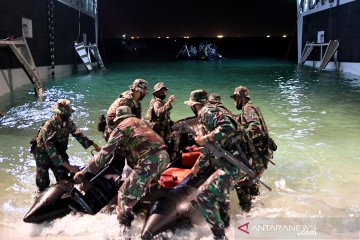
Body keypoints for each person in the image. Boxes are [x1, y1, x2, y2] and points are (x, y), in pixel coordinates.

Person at [73, 106, 170, 234]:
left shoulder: (121, 128)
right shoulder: (141, 123)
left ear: (118, 119)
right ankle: (157, 219)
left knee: (124, 194)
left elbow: (105, 153)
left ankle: (125, 232)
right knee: (150, 188)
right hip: (164, 157)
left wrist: (84, 171)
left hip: (149, 161)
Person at [184, 89, 244, 240]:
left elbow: (228, 127)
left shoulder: (206, 112)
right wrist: (198, 164)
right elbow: (211, 148)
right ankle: (227, 228)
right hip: (232, 162)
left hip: (233, 164)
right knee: (222, 197)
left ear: (194, 104)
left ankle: (220, 236)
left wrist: (205, 138)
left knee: (203, 195)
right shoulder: (207, 116)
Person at [31, 99, 100, 192]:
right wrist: (71, 167)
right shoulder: (48, 127)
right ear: (59, 114)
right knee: (43, 182)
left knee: (63, 176)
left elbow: (79, 135)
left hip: (59, 151)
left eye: (69, 114)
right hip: (43, 155)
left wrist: (96, 146)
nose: (68, 116)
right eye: (66, 114)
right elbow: (52, 153)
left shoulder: (68, 123)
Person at [230, 86, 277, 212]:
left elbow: (255, 126)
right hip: (263, 152)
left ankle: (247, 213)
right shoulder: (252, 108)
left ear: (241, 98)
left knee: (241, 183)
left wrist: (239, 137)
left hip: (259, 153)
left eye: (235, 98)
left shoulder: (247, 108)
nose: (234, 102)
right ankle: (257, 207)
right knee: (252, 180)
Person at [145, 82, 175, 146]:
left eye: (164, 92)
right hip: (158, 130)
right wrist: (169, 102)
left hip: (162, 128)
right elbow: (158, 113)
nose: (163, 93)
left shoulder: (160, 102)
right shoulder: (156, 102)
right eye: (161, 92)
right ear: (156, 93)